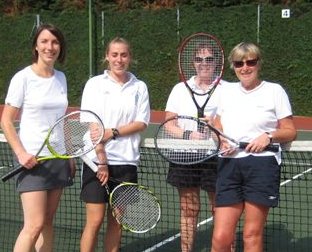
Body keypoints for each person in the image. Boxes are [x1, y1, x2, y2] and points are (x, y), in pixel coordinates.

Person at [210, 42, 297, 252]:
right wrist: (221, 138)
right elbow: (217, 122)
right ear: (233, 65)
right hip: (229, 165)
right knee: (221, 238)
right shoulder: (226, 91)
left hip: (262, 165)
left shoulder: (274, 91)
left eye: (250, 62)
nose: (245, 67)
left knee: (251, 235)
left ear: (258, 63)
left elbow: (289, 130)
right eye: (239, 63)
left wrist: (269, 136)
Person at [0, 24, 75, 252]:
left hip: (58, 157)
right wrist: (21, 154)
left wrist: (69, 154)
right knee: (33, 225)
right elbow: (6, 121)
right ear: (36, 46)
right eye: (44, 41)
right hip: (32, 159)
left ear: (59, 47)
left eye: (54, 42)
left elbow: (61, 119)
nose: (49, 47)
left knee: (47, 223)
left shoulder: (61, 77)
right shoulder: (22, 78)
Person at [79, 37, 150, 252]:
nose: (119, 59)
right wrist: (101, 160)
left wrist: (113, 132)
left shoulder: (139, 87)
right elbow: (91, 124)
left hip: (126, 163)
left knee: (116, 222)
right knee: (95, 220)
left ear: (130, 57)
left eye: (124, 55)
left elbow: (141, 122)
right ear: (107, 57)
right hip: (95, 162)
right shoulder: (94, 85)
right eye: (115, 55)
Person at [165, 42, 226, 252]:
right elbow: (169, 123)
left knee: (221, 209)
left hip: (216, 157)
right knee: (189, 209)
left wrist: (216, 126)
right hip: (185, 155)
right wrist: (188, 134)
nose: (204, 64)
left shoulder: (227, 90)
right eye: (199, 59)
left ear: (216, 62)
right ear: (193, 62)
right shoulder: (179, 89)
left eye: (209, 59)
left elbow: (232, 124)